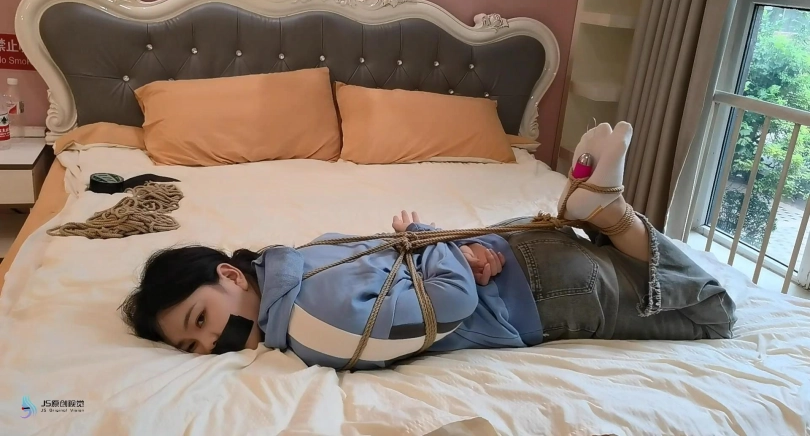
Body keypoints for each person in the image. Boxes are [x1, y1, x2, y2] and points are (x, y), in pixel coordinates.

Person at [120, 122, 736, 370]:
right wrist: (441, 246)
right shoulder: (302, 255)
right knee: (655, 277)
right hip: (516, 247)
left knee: (713, 314)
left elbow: (452, 304)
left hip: (541, 296)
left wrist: (437, 248)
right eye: (192, 345)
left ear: (230, 276)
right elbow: (411, 267)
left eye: (201, 320)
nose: (212, 343)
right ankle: (603, 214)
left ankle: (611, 213)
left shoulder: (311, 330)